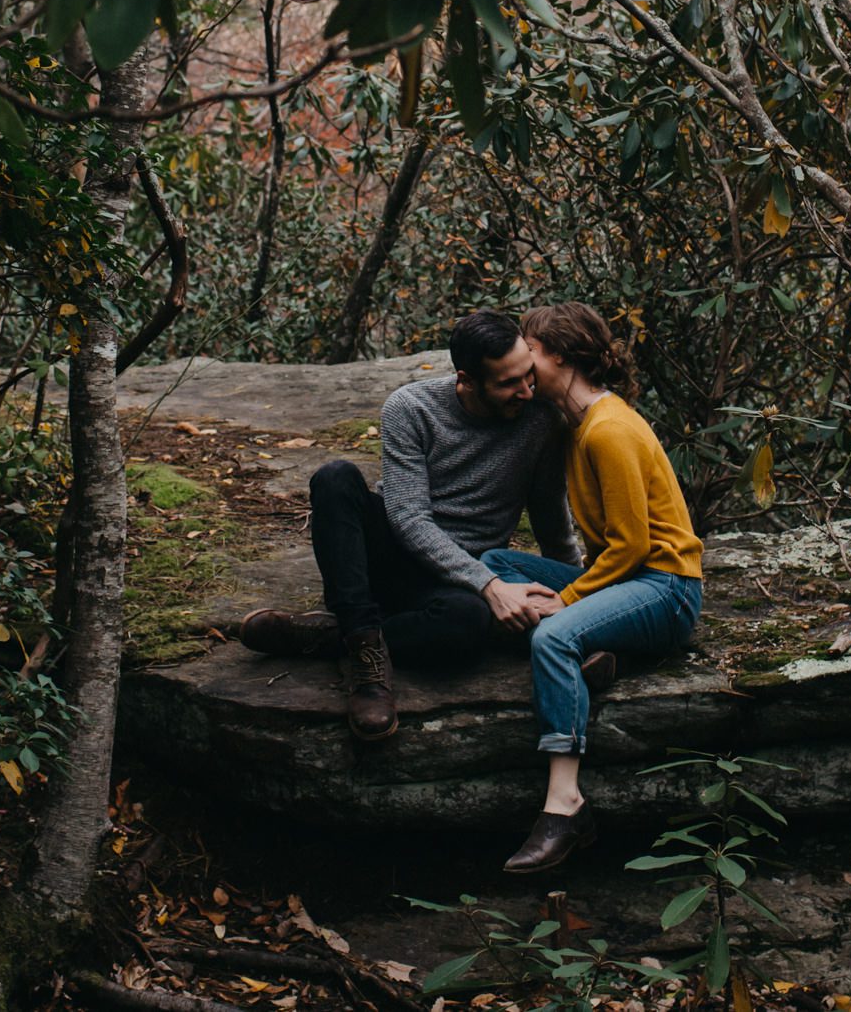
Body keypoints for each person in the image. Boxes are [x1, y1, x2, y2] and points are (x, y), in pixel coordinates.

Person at [236, 310, 582, 741]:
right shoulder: (411, 407)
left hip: (454, 582)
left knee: (468, 623)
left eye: (529, 376)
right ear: (467, 380)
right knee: (335, 477)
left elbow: (552, 520)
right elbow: (407, 517)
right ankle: (367, 664)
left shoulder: (543, 421)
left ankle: (336, 635)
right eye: (510, 383)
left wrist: (580, 600)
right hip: (392, 555)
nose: (527, 391)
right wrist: (491, 585)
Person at [478, 302, 703, 874]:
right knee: (495, 561)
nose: (523, 363)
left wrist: (568, 602)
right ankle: (600, 655)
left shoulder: (608, 430)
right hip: (629, 580)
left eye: (529, 350)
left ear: (558, 355)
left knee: (551, 637)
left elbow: (630, 547)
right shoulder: (576, 427)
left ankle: (565, 805)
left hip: (667, 587)